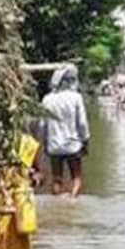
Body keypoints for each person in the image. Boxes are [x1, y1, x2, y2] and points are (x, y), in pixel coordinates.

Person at [41, 65, 89, 197]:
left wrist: (45, 145)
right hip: (73, 145)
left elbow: (42, 126)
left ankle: (56, 203)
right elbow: (82, 123)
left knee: (57, 179)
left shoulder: (47, 99)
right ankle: (72, 203)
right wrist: (85, 141)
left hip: (54, 146)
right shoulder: (76, 97)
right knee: (76, 178)